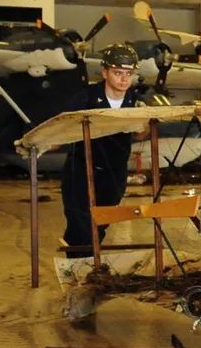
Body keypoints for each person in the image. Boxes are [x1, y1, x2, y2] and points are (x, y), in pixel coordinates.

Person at [60, 44, 143, 255]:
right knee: (80, 219)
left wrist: (145, 123)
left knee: (103, 218)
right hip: (80, 167)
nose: (124, 79)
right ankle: (80, 263)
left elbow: (140, 134)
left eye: (129, 74)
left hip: (114, 170)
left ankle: (87, 257)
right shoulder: (85, 98)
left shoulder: (136, 102)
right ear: (105, 72)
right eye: (118, 73)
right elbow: (62, 126)